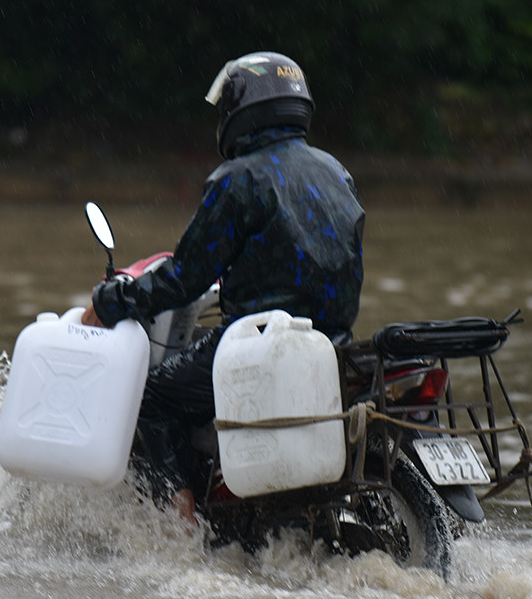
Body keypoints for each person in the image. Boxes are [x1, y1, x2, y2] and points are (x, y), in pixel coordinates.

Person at [81, 51, 365, 525]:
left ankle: (182, 526)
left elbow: (184, 277)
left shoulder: (239, 179)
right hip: (330, 343)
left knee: (151, 398)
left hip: (256, 344)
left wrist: (111, 301)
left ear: (241, 109)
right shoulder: (335, 171)